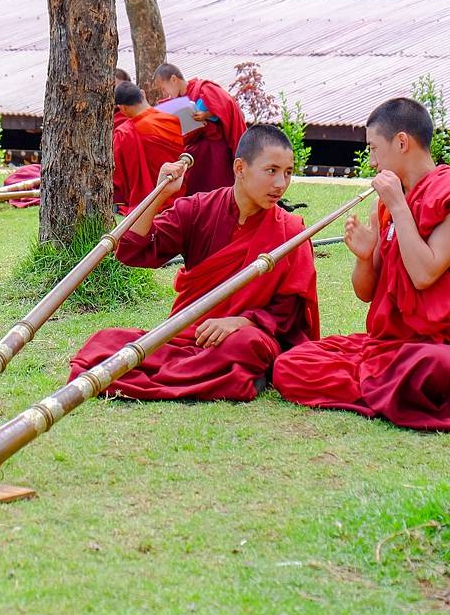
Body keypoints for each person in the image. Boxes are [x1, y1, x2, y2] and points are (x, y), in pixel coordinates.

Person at [272, 98, 450, 432]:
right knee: (291, 364)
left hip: (445, 348)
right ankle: (388, 388)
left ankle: (384, 385)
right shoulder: (385, 207)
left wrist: (398, 205)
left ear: (402, 142)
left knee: (434, 367)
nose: (373, 160)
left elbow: (425, 274)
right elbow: (366, 293)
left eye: (374, 149)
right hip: (390, 348)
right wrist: (365, 257)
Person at [68, 125, 318, 401]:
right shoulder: (198, 209)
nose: (281, 184)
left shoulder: (291, 232)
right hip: (190, 332)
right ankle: (216, 375)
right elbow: (133, 250)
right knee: (106, 341)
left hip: (246, 335)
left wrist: (241, 322)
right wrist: (160, 193)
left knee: (247, 345)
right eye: (271, 171)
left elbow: (289, 312)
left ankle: (213, 371)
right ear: (240, 168)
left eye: (288, 173)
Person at [151, 63, 246, 196]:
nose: (164, 93)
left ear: (173, 79)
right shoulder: (177, 101)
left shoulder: (203, 88)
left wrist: (208, 114)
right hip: (195, 148)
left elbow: (228, 107)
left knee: (216, 187)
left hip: (216, 146)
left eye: (164, 88)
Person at [112, 81, 185, 215]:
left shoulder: (124, 134)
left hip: (148, 199)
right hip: (177, 187)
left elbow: (117, 174)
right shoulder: (171, 119)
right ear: (143, 94)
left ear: (122, 108)